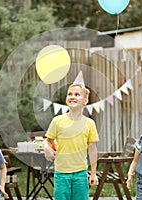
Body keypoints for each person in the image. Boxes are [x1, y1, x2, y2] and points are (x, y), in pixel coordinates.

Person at [43, 71, 99, 200]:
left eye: (77, 94)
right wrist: (46, 148)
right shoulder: (57, 121)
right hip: (61, 173)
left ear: (85, 100)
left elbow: (92, 149)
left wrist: (93, 174)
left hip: (81, 173)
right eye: (70, 94)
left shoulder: (89, 123)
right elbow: (48, 140)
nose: (72, 97)